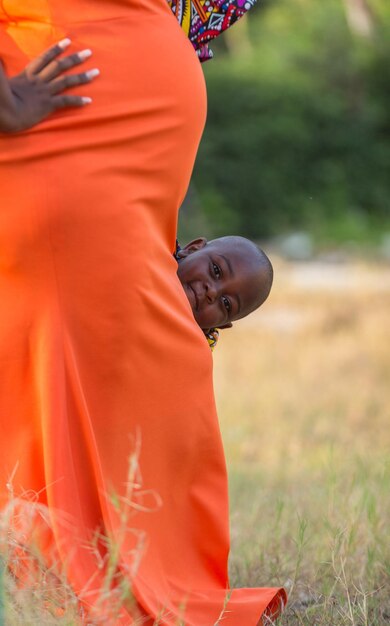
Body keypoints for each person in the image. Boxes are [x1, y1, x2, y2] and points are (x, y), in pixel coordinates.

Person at [0, 3, 286, 624]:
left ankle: (128, 560)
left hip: (131, 180)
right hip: (52, 133)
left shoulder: (184, 319)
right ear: (193, 251)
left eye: (224, 302)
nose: (209, 295)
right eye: (211, 275)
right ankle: (55, 549)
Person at [176, 236, 273, 348]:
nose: (212, 292)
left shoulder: (189, 357)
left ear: (221, 325)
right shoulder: (152, 247)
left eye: (226, 303)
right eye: (216, 270)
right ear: (192, 249)